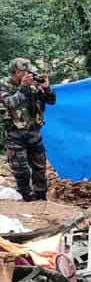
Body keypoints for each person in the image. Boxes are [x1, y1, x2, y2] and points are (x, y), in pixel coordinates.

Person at [0, 58, 56, 201]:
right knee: (21, 170)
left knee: (40, 168)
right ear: (16, 72)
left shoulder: (33, 85)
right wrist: (23, 87)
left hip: (34, 133)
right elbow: (10, 103)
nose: (28, 74)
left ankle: (41, 197)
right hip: (15, 135)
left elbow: (51, 101)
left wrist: (47, 87)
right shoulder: (4, 85)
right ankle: (26, 198)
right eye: (24, 71)